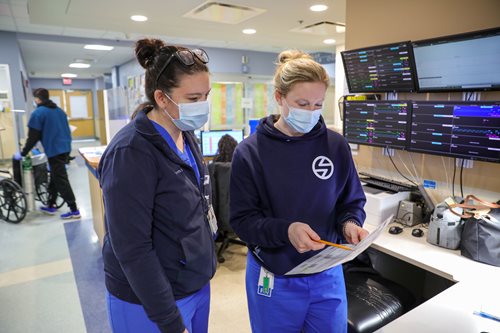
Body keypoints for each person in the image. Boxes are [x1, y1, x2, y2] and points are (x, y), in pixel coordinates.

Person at [230, 50, 368, 333]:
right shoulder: (250, 152)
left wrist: (351, 224)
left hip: (326, 273)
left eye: (317, 104)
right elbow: (243, 222)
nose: (310, 111)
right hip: (274, 274)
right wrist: (286, 231)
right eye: (302, 103)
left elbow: (351, 201)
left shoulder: (335, 146)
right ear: (280, 97)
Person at [97, 38, 216, 333]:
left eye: (206, 96)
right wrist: (169, 321)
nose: (202, 106)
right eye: (193, 99)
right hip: (149, 301)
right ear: (162, 98)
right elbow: (132, 248)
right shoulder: (131, 153)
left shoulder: (185, 135)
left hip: (194, 285)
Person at [15, 88, 80, 219]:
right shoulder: (60, 111)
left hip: (54, 150)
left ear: (37, 99)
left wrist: (23, 153)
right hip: (65, 148)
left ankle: (74, 209)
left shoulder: (38, 113)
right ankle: (51, 204)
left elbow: (33, 137)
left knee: (61, 179)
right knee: (56, 177)